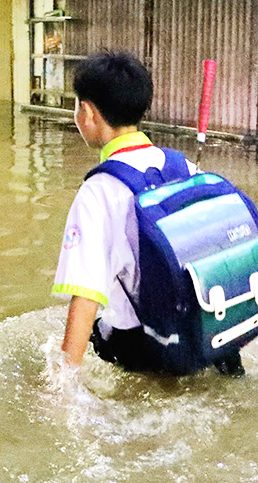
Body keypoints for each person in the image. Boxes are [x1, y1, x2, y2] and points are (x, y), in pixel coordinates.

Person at [52, 50, 246, 377]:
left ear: (87, 112)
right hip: (209, 332)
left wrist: (58, 386)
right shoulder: (182, 165)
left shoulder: (98, 190)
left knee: (102, 331)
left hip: (147, 347)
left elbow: (85, 297)